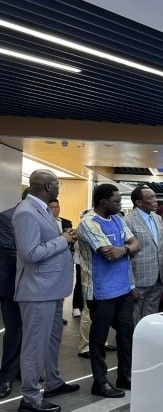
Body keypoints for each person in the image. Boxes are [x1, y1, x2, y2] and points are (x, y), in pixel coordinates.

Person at [12, 170, 79, 412]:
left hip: (51, 288)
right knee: (34, 345)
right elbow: (30, 254)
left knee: (51, 340)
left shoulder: (42, 209)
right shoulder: (26, 212)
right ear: (49, 186)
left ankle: (53, 382)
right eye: (58, 184)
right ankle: (30, 398)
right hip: (37, 290)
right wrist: (63, 239)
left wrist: (64, 238)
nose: (59, 187)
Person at [77, 183, 140, 397]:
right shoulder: (88, 223)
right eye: (117, 201)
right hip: (101, 291)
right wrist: (127, 249)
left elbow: (136, 244)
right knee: (98, 338)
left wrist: (124, 249)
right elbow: (108, 253)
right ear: (104, 202)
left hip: (123, 289)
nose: (120, 204)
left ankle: (125, 376)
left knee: (126, 334)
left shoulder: (118, 220)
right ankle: (100, 382)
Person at [0, 188, 28, 399]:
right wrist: (39, 255)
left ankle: (21, 369)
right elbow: (10, 251)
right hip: (12, 284)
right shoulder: (6, 217)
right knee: (14, 330)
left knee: (29, 330)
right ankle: (6, 376)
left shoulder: (44, 216)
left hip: (35, 284)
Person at [124, 186, 163, 326]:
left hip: (158, 278)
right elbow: (126, 257)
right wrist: (131, 285)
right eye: (150, 198)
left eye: (155, 196)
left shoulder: (158, 218)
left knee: (151, 320)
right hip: (139, 280)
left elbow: (159, 247)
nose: (155, 200)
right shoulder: (128, 221)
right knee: (134, 320)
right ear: (139, 202)